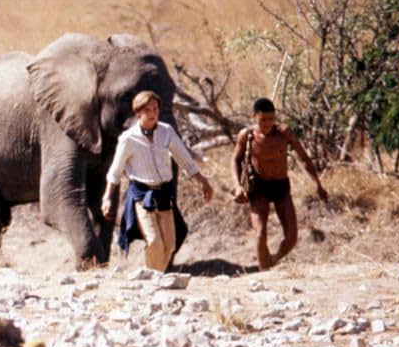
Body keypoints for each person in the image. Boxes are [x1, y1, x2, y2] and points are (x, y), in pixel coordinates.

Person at [101, 90, 213, 272]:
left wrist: (203, 181)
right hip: (142, 196)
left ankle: (154, 276)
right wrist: (107, 198)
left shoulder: (166, 132)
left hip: (164, 195)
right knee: (153, 241)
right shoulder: (128, 139)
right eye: (147, 110)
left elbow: (185, 160)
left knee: (169, 245)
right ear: (138, 113)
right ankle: (150, 281)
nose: (153, 113)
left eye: (155, 109)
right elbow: (115, 172)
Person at [232, 97, 327, 271]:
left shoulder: (285, 133)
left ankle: (273, 260)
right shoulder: (247, 135)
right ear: (254, 117)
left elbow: (303, 158)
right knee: (260, 233)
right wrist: (238, 186)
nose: (268, 124)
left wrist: (317, 183)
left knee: (291, 237)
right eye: (263, 120)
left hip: (281, 186)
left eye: (271, 119)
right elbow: (235, 160)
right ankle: (264, 273)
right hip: (259, 187)